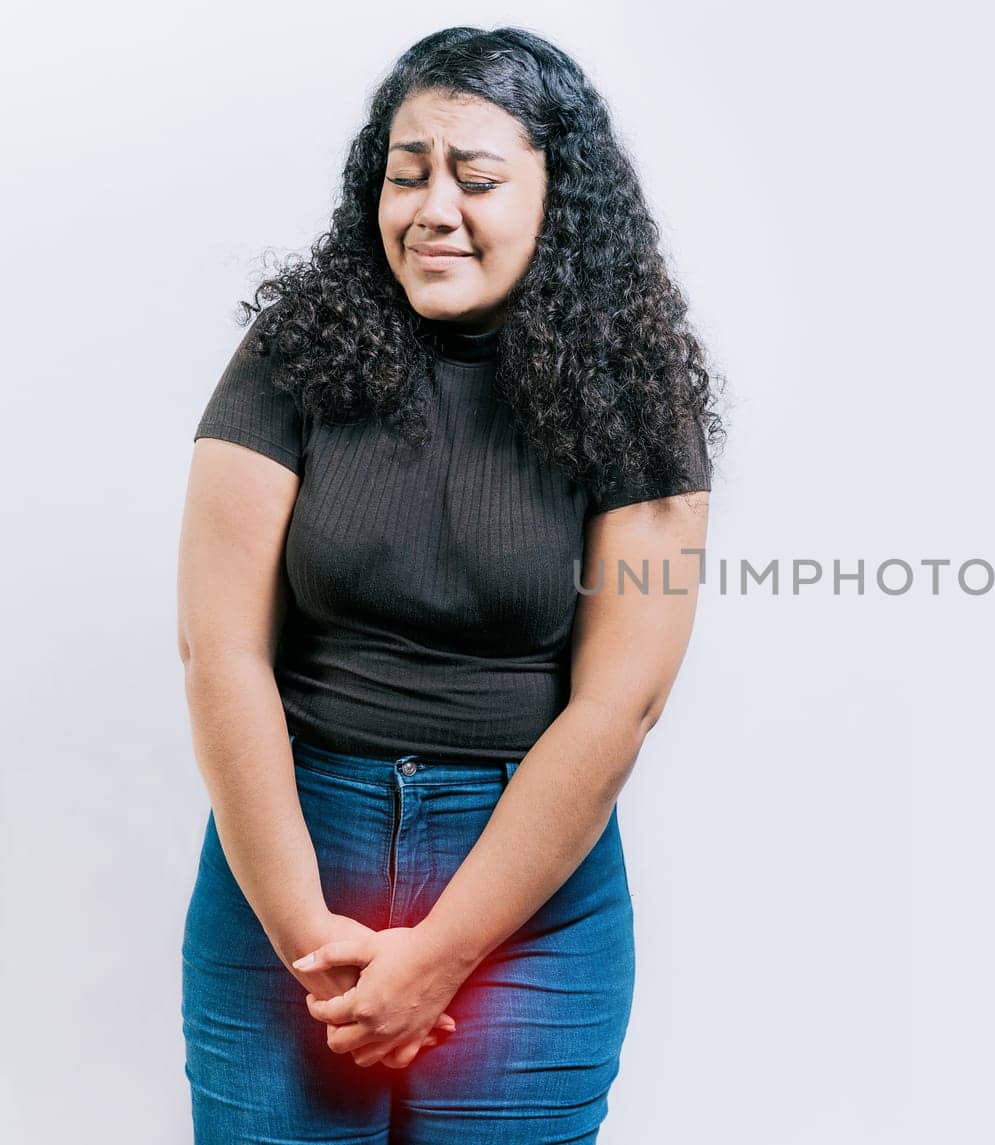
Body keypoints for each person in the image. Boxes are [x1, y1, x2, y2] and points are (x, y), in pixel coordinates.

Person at [175, 26, 722, 1144]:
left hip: (526, 894)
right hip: (290, 852)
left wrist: (442, 955)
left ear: (557, 197)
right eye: (405, 171)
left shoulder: (636, 394)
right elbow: (218, 647)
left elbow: (622, 701)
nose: (431, 208)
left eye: (475, 178)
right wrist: (306, 940)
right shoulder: (295, 354)